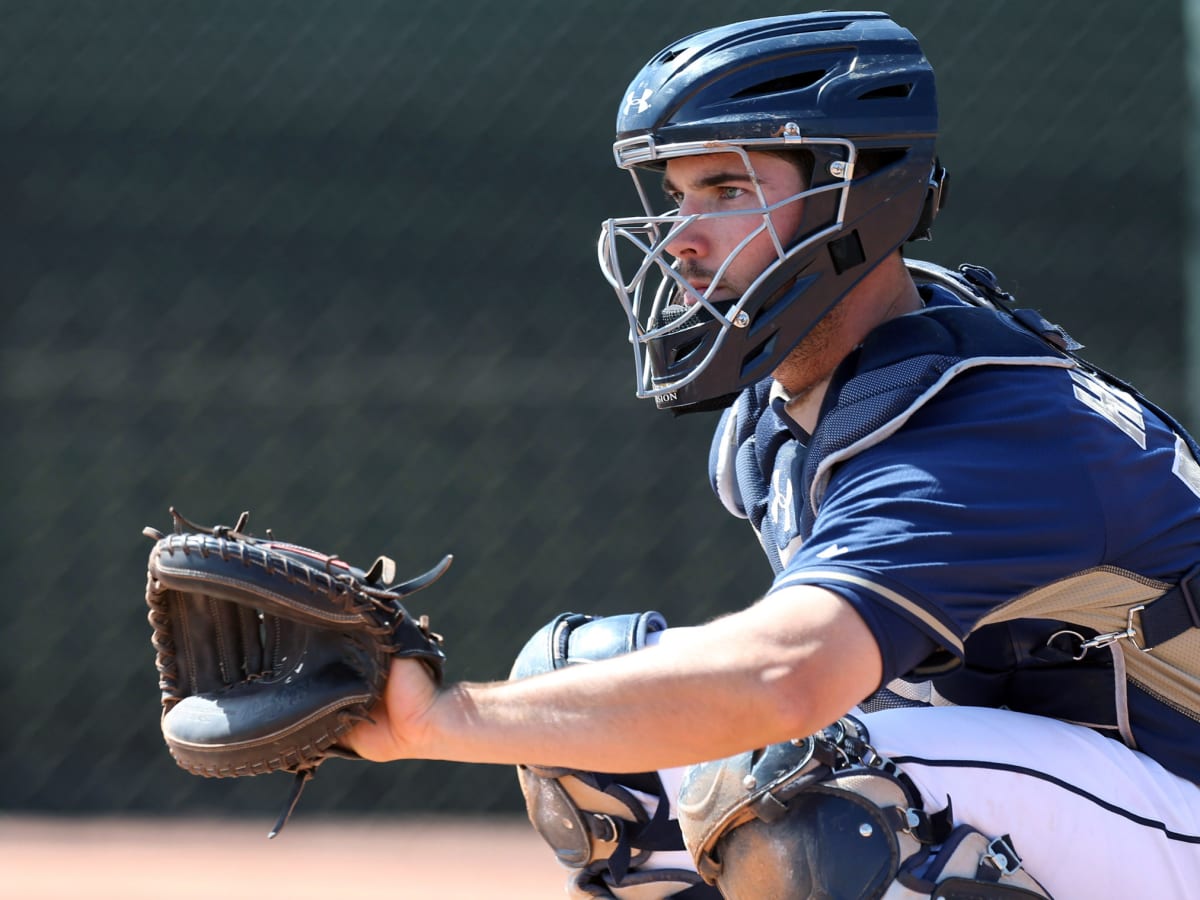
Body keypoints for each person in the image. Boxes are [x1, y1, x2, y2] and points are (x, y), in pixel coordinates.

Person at [346, 11, 1200, 898]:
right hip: (1113, 804)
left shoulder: (978, 425)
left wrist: (434, 721)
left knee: (813, 782)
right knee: (593, 707)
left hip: (1182, 803)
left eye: (727, 190)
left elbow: (788, 678)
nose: (680, 235)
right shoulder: (806, 404)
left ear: (855, 194)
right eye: (677, 196)